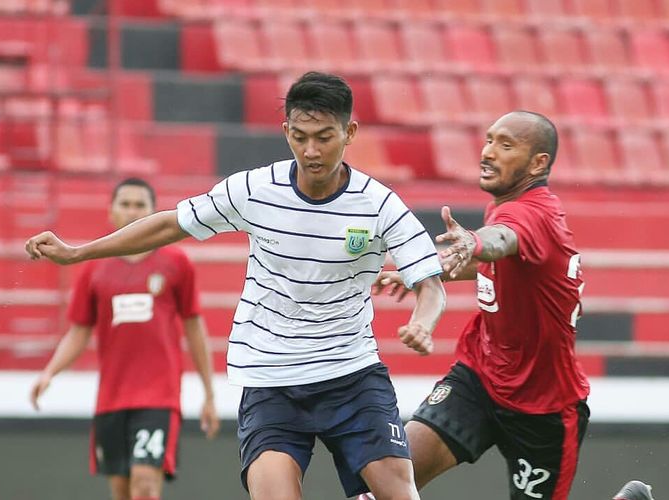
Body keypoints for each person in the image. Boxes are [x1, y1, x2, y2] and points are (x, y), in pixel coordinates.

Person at [26, 72, 446, 500]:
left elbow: (430, 284)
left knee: (398, 491)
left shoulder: (379, 204)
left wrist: (423, 323)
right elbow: (172, 224)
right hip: (270, 377)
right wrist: (79, 252)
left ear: (349, 132)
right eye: (300, 136)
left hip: (351, 374)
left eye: (325, 136)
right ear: (285, 131)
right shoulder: (255, 189)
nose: (311, 151)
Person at [373, 111, 590, 500]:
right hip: (480, 378)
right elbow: (494, 256)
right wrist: (423, 270)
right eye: (489, 140)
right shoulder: (511, 203)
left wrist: (473, 241)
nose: (488, 152)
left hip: (544, 409)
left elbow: (500, 240)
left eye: (506, 145)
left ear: (538, 163)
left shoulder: (531, 214)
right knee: (389, 479)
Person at [29, 177, 219, 500]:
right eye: (125, 204)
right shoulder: (93, 269)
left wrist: (209, 393)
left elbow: (194, 327)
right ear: (111, 211)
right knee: (121, 490)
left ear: (152, 212)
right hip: (111, 399)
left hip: (159, 398)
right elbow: (79, 330)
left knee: (145, 486)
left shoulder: (177, 264)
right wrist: (50, 372)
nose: (132, 211)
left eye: (140, 205)